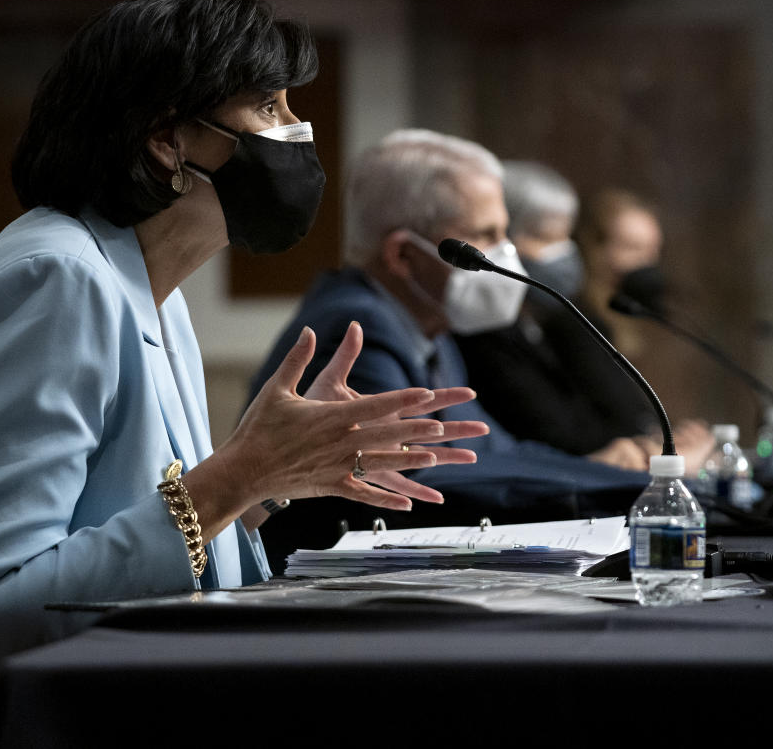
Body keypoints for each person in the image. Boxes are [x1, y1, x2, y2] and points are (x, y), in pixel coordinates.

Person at [0, 0, 487, 749]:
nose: (299, 132)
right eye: (269, 107)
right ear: (166, 141)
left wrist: (269, 485)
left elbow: (121, 525)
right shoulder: (53, 278)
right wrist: (235, 478)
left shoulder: (148, 285)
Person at [248, 131, 706, 573]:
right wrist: (636, 486)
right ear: (404, 256)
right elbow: (419, 484)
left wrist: (605, 467)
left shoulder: (429, 324)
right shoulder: (355, 332)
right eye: (485, 236)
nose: (507, 255)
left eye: (506, 233)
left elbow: (492, 450)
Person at [456, 162, 710, 456]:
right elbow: (554, 435)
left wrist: (652, 445)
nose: (564, 253)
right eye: (546, 237)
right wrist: (641, 454)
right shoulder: (489, 331)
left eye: (564, 237)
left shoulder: (537, 325)